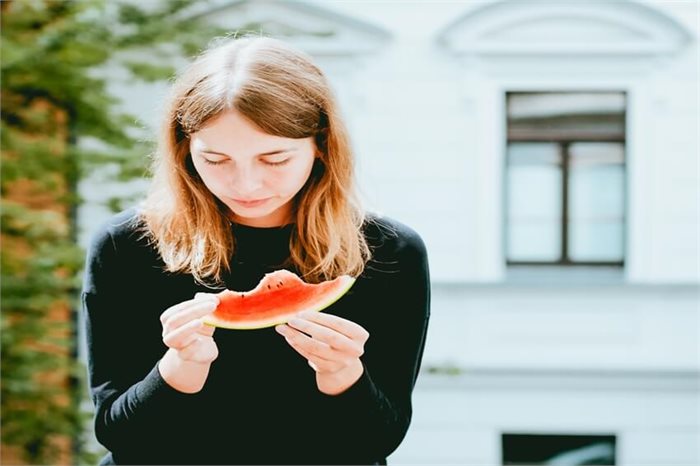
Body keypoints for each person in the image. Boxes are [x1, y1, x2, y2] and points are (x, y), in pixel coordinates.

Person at [81, 35, 431, 466]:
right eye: (216, 160)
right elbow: (120, 438)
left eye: (275, 159)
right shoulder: (127, 247)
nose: (245, 185)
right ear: (185, 151)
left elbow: (377, 441)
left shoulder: (389, 252)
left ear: (320, 145)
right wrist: (179, 369)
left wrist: (342, 374)